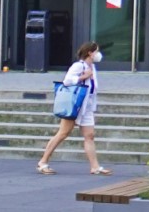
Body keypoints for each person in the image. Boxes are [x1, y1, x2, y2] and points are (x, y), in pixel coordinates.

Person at [39, 41, 109, 176]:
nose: (98, 54)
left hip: (87, 106)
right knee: (63, 133)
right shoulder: (78, 66)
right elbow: (67, 81)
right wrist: (83, 76)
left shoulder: (92, 67)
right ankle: (43, 161)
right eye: (96, 51)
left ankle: (95, 167)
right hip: (75, 105)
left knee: (89, 135)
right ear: (90, 52)